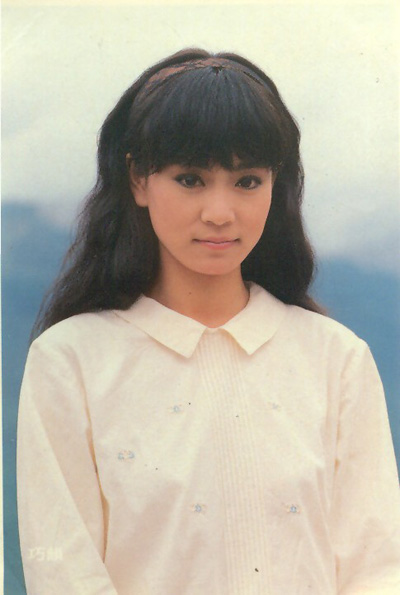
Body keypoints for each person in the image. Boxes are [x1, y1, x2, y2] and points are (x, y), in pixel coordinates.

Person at [17, 48, 400, 595]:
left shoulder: (336, 359)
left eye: (247, 181)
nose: (220, 213)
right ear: (138, 179)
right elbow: (62, 573)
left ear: (276, 185)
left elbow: (377, 568)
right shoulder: (70, 361)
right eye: (191, 178)